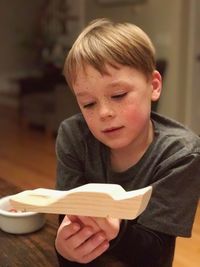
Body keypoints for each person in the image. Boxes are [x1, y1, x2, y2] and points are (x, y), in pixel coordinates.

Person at [54, 18, 200, 267]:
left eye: (119, 95)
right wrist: (65, 248)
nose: (104, 113)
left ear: (153, 86)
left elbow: (155, 253)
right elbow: (67, 224)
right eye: (88, 103)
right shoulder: (73, 136)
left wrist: (115, 229)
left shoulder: (182, 154)